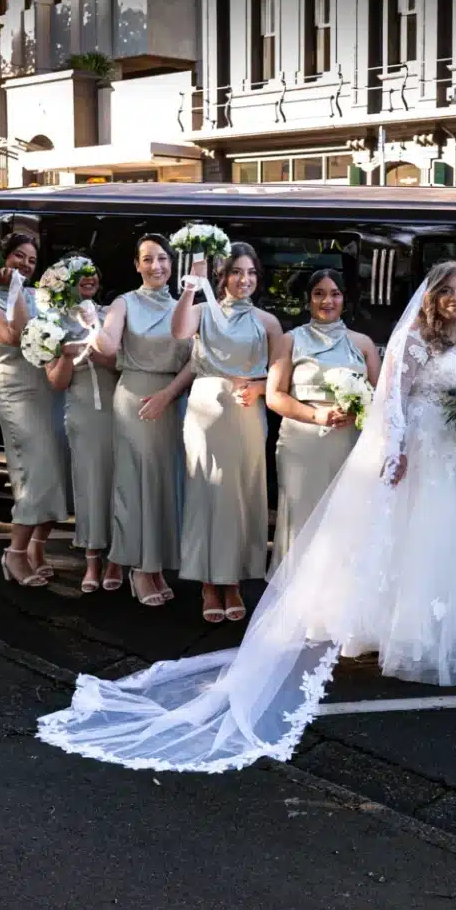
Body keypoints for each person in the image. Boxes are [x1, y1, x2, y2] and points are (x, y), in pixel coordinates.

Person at [36, 261, 456, 773]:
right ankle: (406, 633)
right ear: (431, 297)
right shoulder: (412, 337)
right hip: (420, 452)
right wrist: (396, 448)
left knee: (455, 546)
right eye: (448, 291)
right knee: (415, 540)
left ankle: (452, 631)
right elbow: (391, 396)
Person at [170, 241, 283, 624]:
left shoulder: (268, 323)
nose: (245, 279)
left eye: (251, 273)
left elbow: (283, 377)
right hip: (205, 408)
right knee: (206, 491)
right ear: (223, 277)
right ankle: (207, 581)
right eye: (237, 272)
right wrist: (190, 285)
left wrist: (259, 387)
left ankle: (232, 579)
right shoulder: (204, 310)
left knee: (242, 493)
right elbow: (179, 330)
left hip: (248, 411)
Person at [92, 235, 194, 607]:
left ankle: (157, 565)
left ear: (173, 263)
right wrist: (94, 324)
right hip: (136, 397)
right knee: (137, 484)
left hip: (173, 399)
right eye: (148, 259)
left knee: (167, 483)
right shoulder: (124, 303)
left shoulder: (186, 305)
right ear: (136, 265)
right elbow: (107, 345)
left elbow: (196, 361)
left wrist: (170, 395)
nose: (156, 267)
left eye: (163, 259)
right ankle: (139, 568)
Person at [0, 232, 71, 587]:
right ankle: (14, 554)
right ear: (2, 260)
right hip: (20, 398)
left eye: (30, 260)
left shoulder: (35, 294)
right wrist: (14, 288)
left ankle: (37, 549)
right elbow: (20, 334)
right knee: (34, 477)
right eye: (18, 257)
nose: (25, 265)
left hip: (52, 395)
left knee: (58, 475)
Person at [266, 268, 382, 572]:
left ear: (345, 298)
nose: (327, 301)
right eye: (319, 293)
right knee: (301, 519)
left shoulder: (363, 344)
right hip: (301, 443)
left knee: (346, 520)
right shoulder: (290, 340)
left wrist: (357, 411)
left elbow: (382, 402)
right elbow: (274, 396)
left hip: (349, 445)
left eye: (335, 294)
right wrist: (316, 415)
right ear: (308, 299)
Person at [46, 260, 123, 593]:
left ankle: (119, 558)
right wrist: (65, 356)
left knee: (123, 484)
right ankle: (92, 559)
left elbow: (127, 364)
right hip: (83, 414)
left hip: (120, 409)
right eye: (79, 274)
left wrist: (99, 352)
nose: (88, 278)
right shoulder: (52, 323)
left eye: (93, 272)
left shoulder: (112, 316)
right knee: (91, 484)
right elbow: (56, 382)